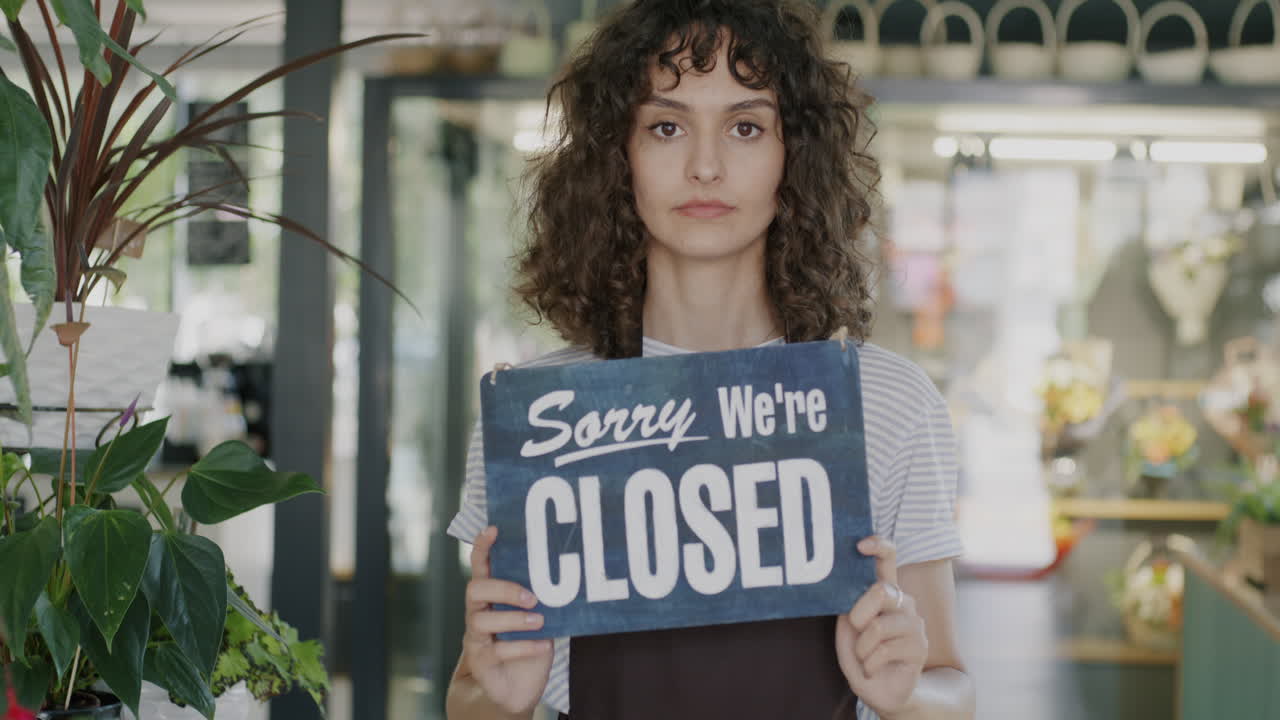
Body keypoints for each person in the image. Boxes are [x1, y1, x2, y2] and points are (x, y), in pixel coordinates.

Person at [445, 0, 975, 717]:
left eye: (746, 127)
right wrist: (498, 701)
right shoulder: (539, 418)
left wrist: (906, 692)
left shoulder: (883, 401)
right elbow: (468, 698)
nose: (704, 165)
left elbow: (954, 690)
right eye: (666, 127)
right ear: (616, 154)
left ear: (795, 156)